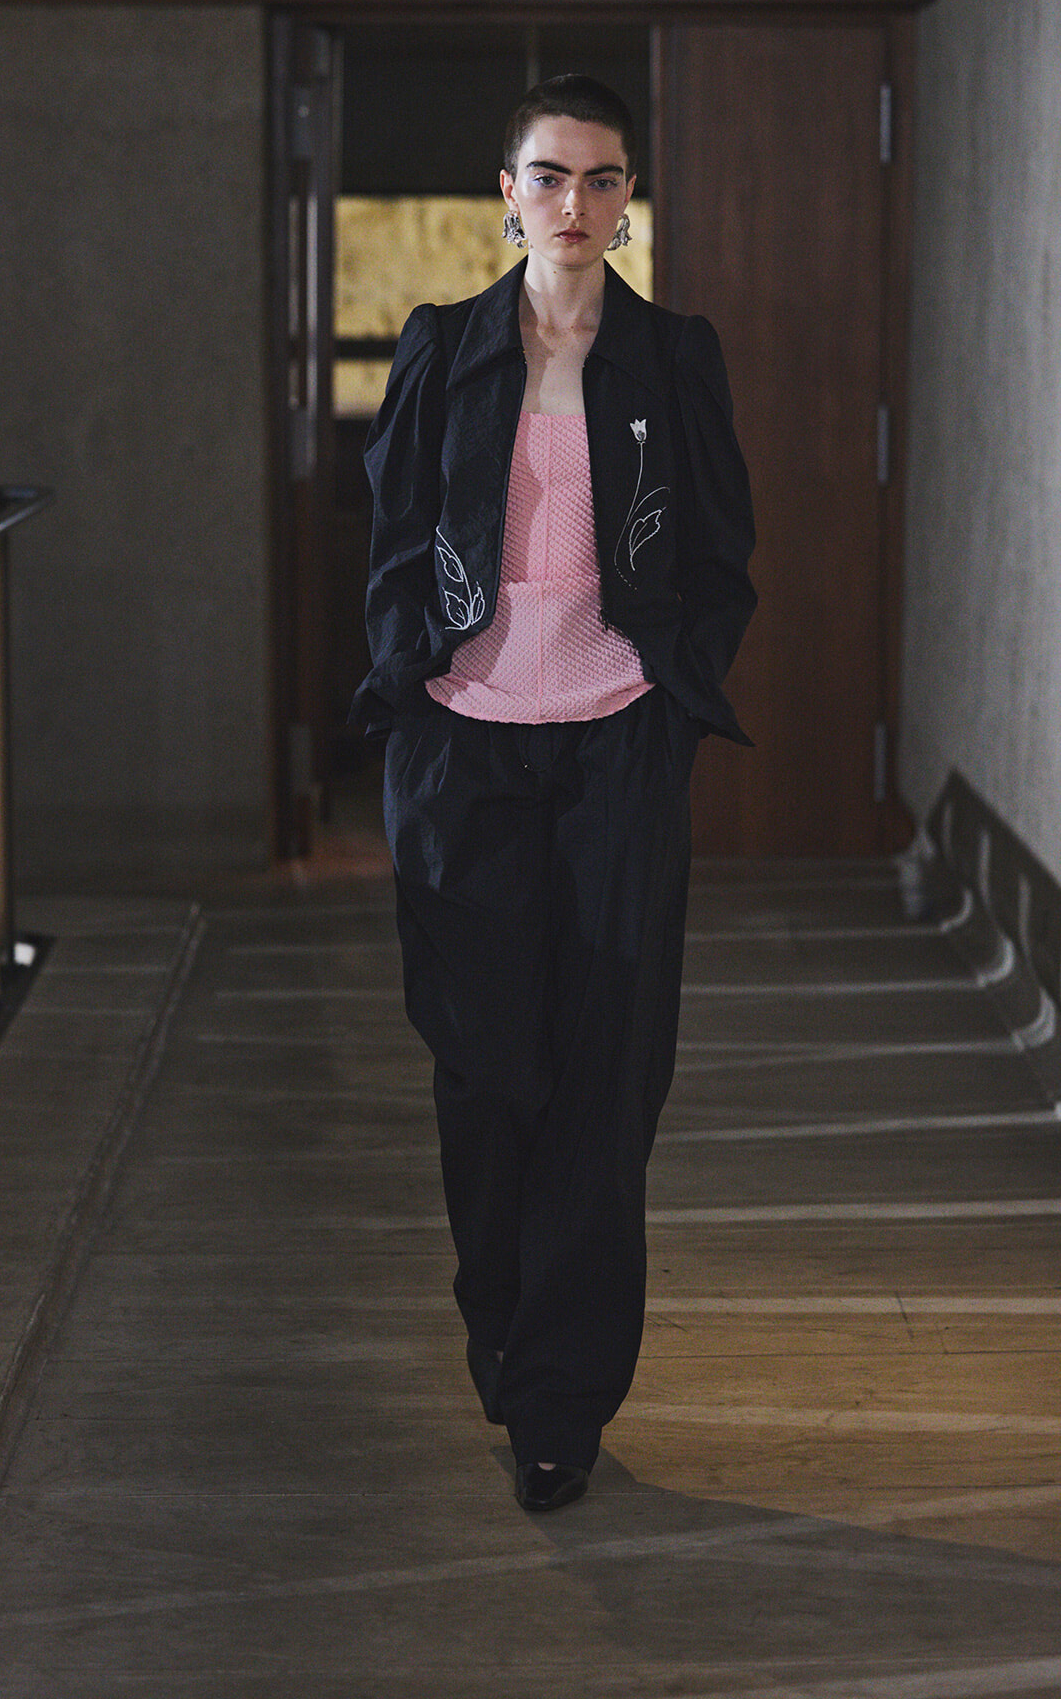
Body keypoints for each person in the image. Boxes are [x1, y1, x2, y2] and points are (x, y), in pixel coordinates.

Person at [352, 75, 756, 1512]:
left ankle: (559, 1402)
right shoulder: (444, 347)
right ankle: (503, 1336)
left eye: (601, 180)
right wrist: (410, 681)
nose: (575, 204)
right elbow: (397, 538)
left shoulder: (672, 356)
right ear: (505, 193)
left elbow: (721, 555)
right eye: (549, 176)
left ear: (627, 199)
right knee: (487, 1069)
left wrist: (666, 691)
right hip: (466, 750)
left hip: (615, 750)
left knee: (606, 1076)